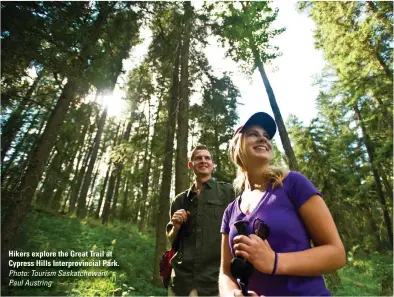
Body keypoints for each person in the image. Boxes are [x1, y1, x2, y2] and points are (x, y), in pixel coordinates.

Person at [219, 112, 346, 296]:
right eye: (253, 133)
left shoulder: (294, 184)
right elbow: (225, 272)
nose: (263, 138)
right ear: (237, 145)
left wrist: (275, 261)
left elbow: (336, 254)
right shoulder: (230, 211)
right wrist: (232, 293)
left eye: (267, 136)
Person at [167, 144, 235, 296]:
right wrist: (176, 227)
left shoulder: (228, 192)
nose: (203, 161)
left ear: (212, 165)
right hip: (181, 282)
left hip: (215, 283)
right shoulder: (179, 201)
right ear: (191, 165)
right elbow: (172, 241)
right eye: (198, 158)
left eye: (207, 158)